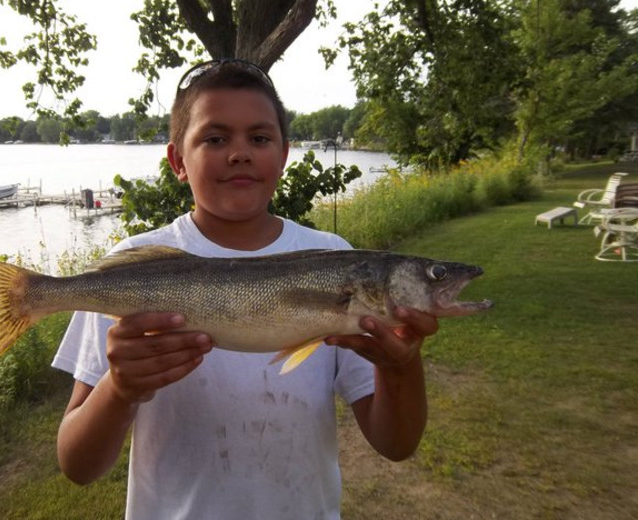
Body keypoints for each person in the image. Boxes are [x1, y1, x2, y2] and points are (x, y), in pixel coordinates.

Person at [52, 59, 438, 519]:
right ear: (177, 160)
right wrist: (118, 388)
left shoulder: (334, 256)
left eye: (259, 138)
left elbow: (396, 444)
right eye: (215, 139)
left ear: (284, 154)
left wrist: (402, 365)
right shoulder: (133, 268)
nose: (239, 153)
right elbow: (77, 465)